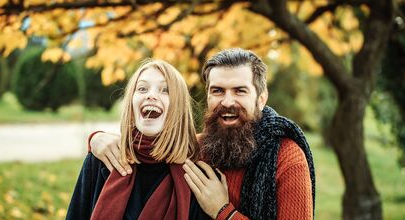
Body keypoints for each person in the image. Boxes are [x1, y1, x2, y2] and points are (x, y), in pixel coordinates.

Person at [89, 48, 315, 220]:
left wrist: (224, 212)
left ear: (261, 98)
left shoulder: (286, 158)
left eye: (240, 91)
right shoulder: (195, 150)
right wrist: (97, 138)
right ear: (207, 95)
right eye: (217, 91)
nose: (227, 101)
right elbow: (148, 151)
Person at [66, 59, 209, 220]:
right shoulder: (101, 160)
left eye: (165, 90)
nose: (151, 95)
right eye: (142, 88)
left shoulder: (196, 176)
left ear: (179, 106)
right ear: (131, 102)